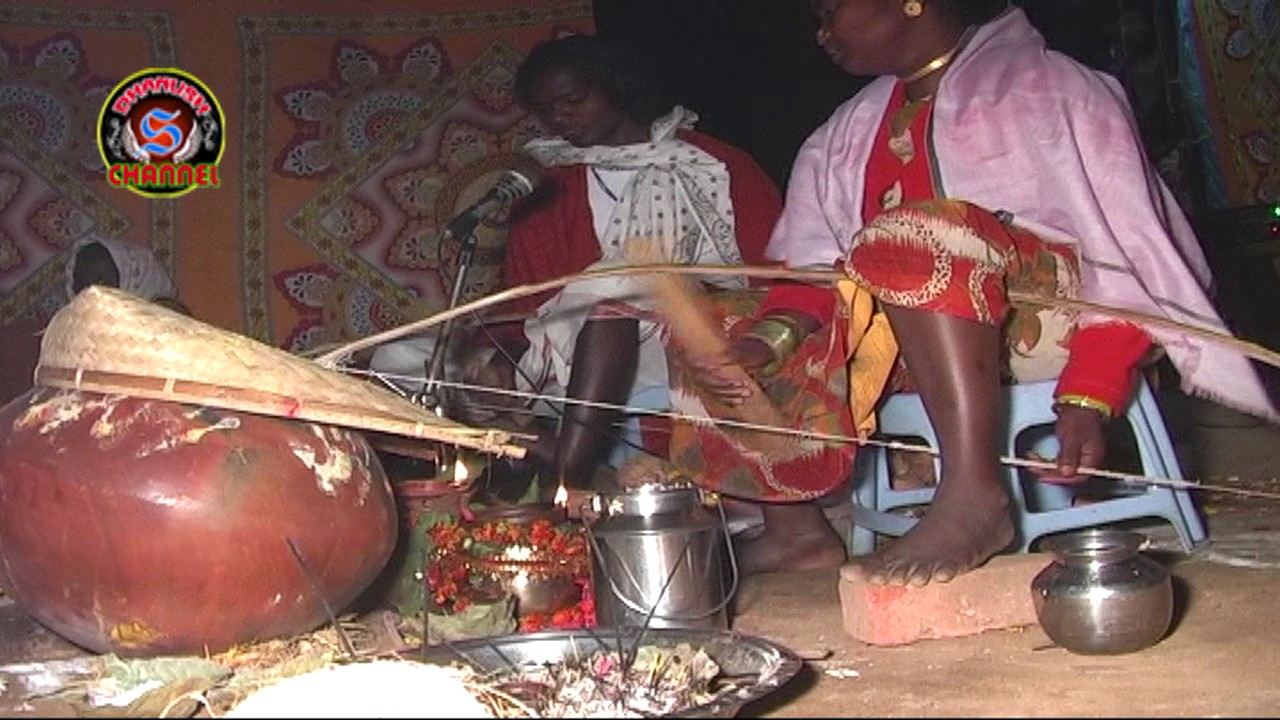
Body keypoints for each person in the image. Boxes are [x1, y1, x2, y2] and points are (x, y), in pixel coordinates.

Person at [653, 0, 1276, 586]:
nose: (821, 31)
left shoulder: (1054, 90)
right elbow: (816, 273)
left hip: (1045, 325)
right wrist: (767, 341)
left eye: (831, 9)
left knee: (910, 232)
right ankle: (795, 530)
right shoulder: (843, 133)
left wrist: (1092, 389)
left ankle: (974, 492)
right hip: (893, 344)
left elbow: (1127, 257)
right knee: (705, 318)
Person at [459, 33, 783, 499]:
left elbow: (774, 276)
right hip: (568, 358)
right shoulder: (550, 189)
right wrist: (498, 359)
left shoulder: (713, 165)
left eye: (573, 98)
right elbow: (526, 306)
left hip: (704, 342)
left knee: (624, 280)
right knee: (405, 359)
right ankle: (544, 461)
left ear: (618, 86)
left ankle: (563, 467)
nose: (560, 116)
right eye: (546, 109)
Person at [65, 234, 189, 315]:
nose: (91, 292)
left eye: (101, 282)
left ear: (132, 281)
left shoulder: (170, 331)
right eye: (82, 284)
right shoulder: (72, 337)